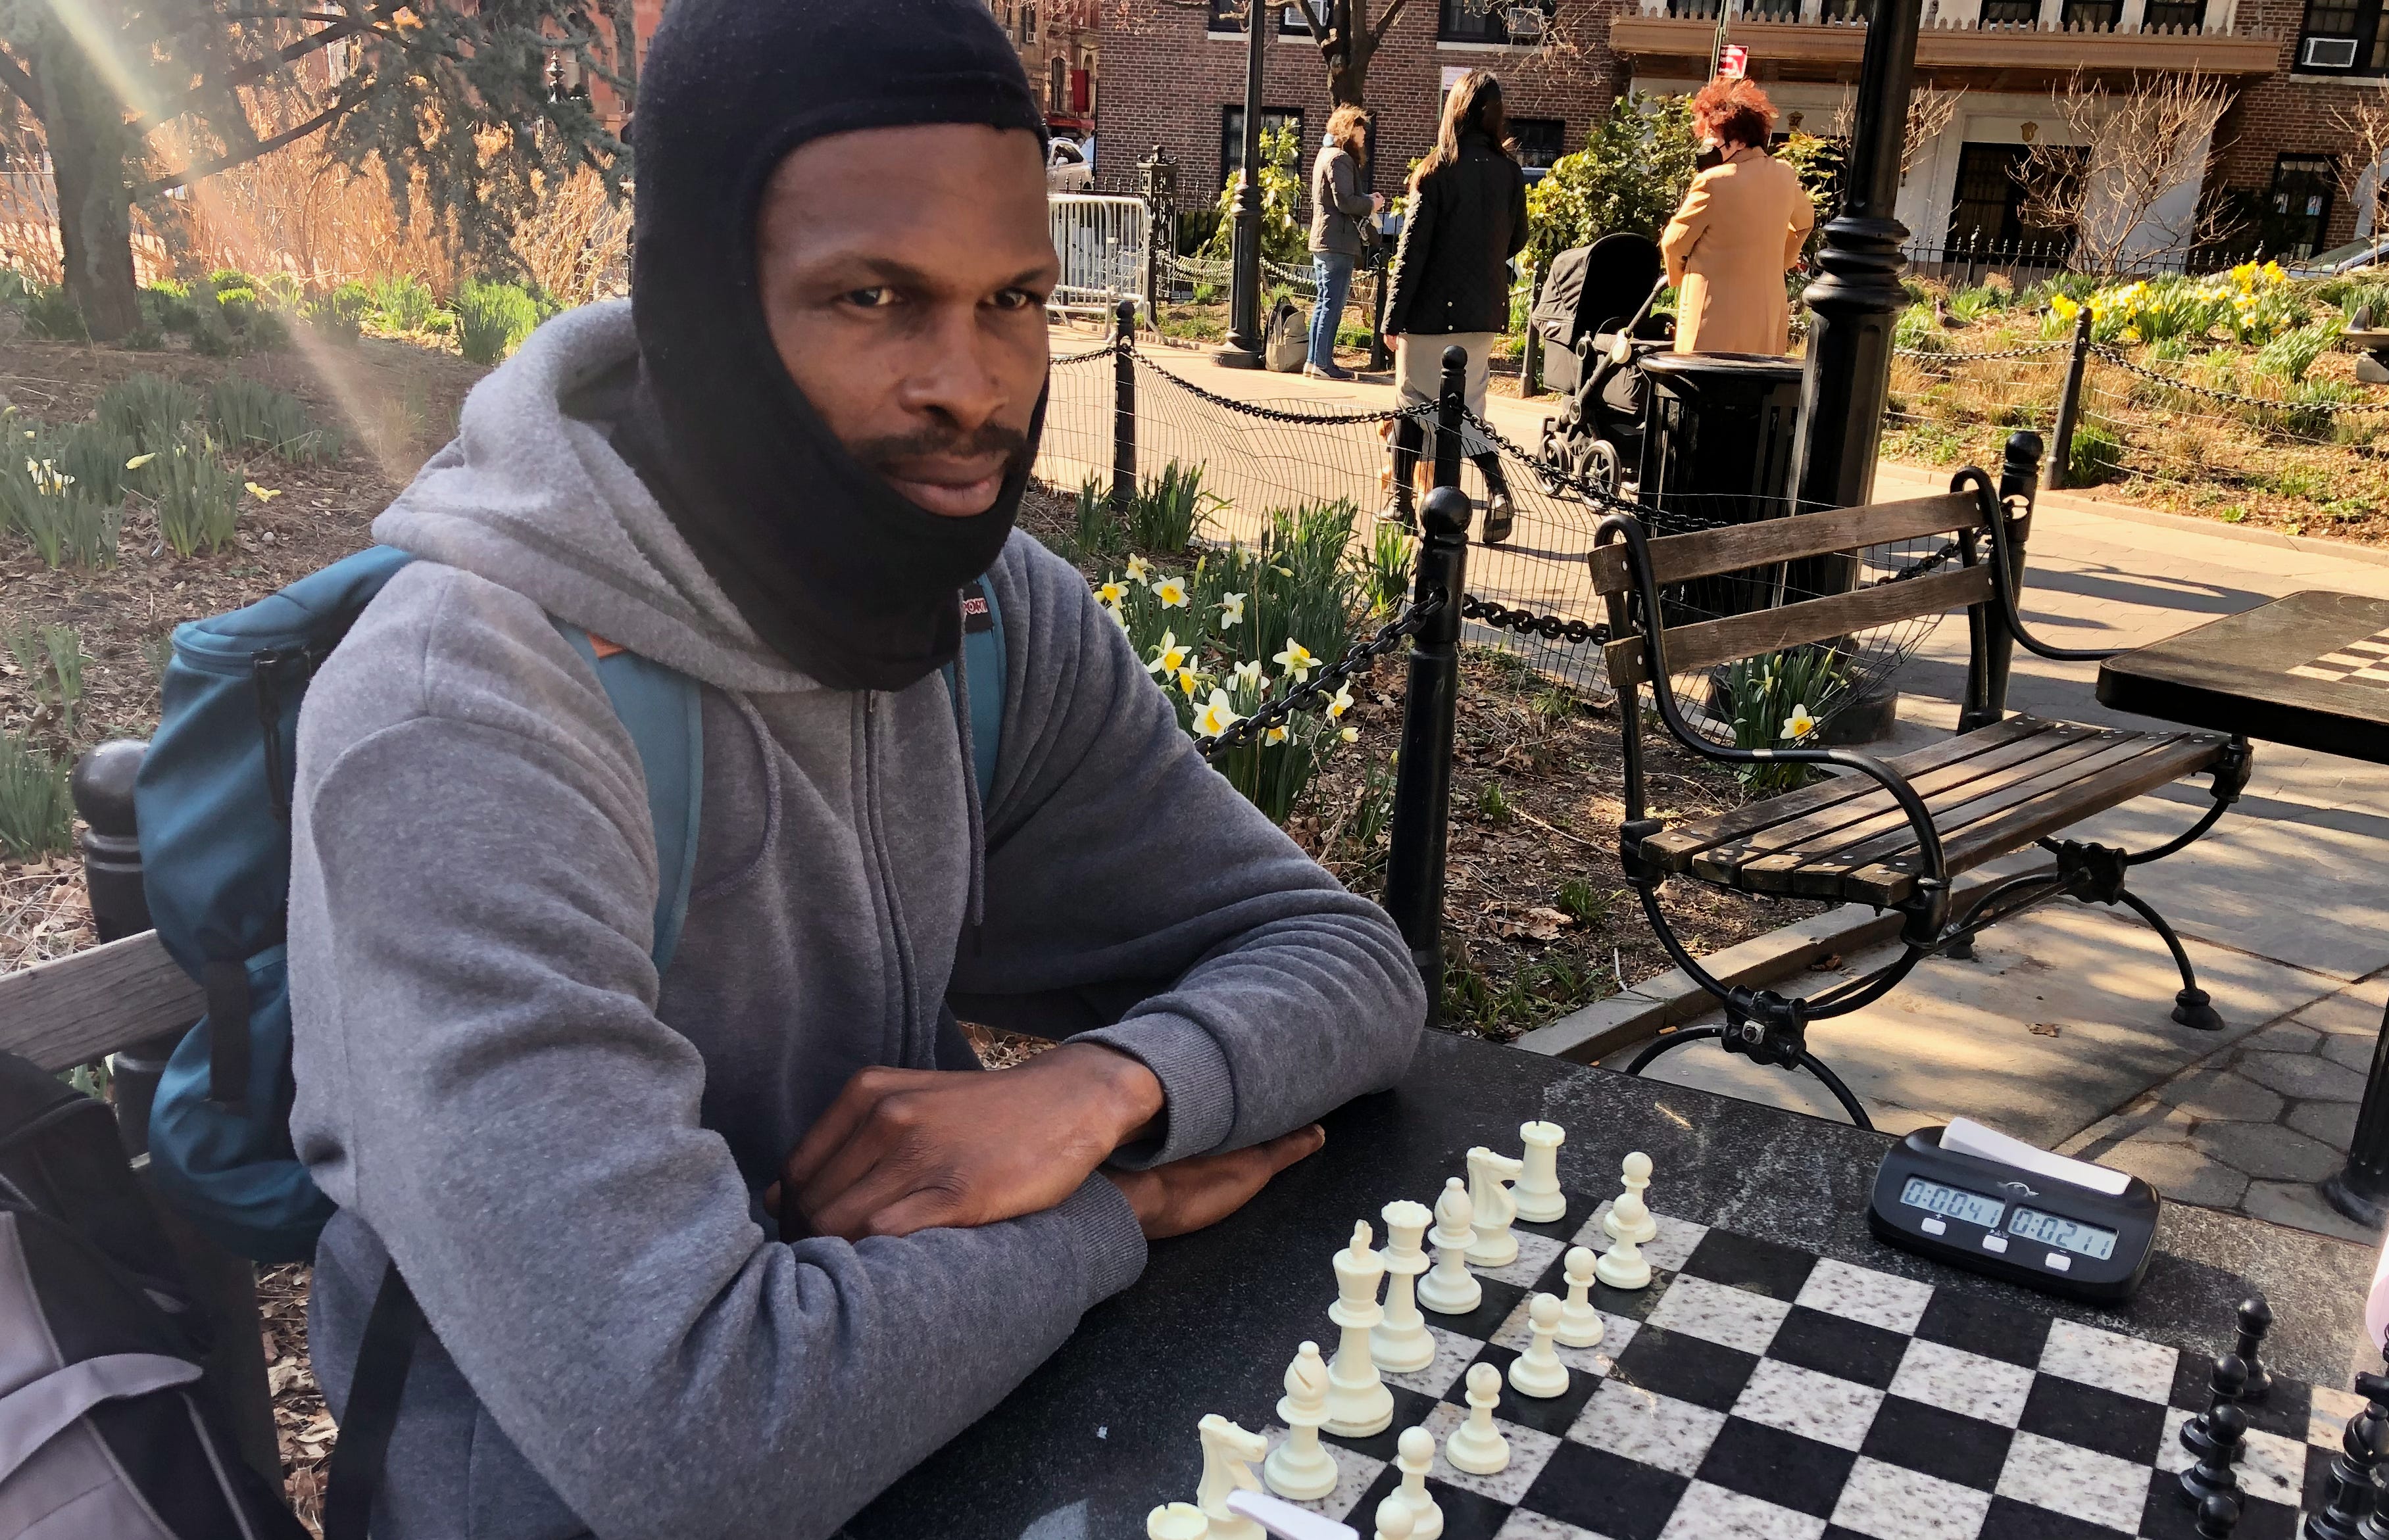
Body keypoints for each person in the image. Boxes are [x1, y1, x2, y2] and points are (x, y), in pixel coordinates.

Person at [285, 2, 1427, 1535]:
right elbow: (691, 1435)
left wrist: (1102, 1089)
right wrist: (1120, 1207)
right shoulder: (463, 719)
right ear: (705, 301)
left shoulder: (987, 615)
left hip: (944, 1423)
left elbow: (1346, 960)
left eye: (1015, 296)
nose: (972, 385)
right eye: (874, 295)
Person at [1381, 69, 1529, 546]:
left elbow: (1412, 253)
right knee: (1468, 412)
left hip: (1429, 316)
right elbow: (1519, 237)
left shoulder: (1437, 170)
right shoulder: (1509, 171)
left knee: (1410, 405)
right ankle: (1499, 491)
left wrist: (1391, 320)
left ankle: (1400, 502)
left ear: (1455, 109)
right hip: (1482, 314)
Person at [1660, 77, 1814, 356]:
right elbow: (1805, 222)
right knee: (1756, 392)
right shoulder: (1783, 174)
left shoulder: (1713, 181)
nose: (1707, 144)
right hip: (1766, 318)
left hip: (1712, 318)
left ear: (1739, 140)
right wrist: (1783, 260)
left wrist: (1678, 277)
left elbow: (1673, 242)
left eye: (1714, 137)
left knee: (1703, 391)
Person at [1307, 104, 1386, 382]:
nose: (1365, 134)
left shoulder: (1324, 154)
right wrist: (1371, 203)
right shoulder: (1340, 158)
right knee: (1333, 303)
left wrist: (1365, 199)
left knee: (1322, 301)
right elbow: (1345, 201)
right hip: (1336, 240)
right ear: (1348, 129)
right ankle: (1324, 364)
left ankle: (1313, 361)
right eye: (1361, 128)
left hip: (1323, 238)